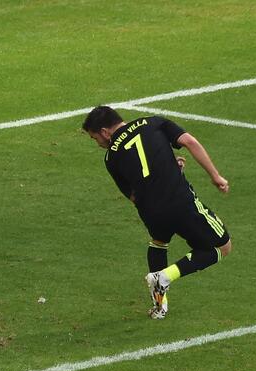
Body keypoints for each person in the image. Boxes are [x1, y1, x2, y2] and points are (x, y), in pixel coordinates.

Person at [82, 106, 232, 319]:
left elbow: (133, 194)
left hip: (150, 210)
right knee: (222, 247)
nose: (98, 143)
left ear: (106, 132)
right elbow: (189, 142)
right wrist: (215, 176)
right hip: (180, 202)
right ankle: (165, 276)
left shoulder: (110, 158)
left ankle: (160, 307)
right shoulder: (153, 123)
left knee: (159, 241)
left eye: (94, 137)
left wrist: (169, 169)